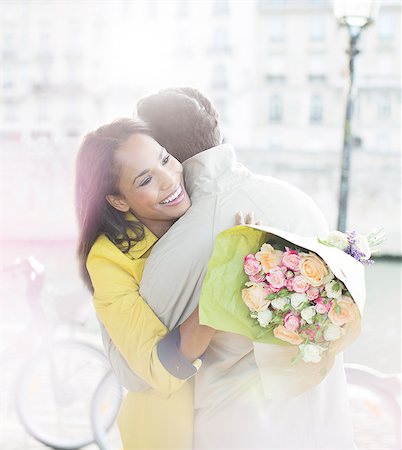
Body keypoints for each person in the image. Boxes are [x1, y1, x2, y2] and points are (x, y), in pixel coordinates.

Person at [105, 87, 355, 449]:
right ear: (216, 128)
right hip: (322, 427)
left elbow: (138, 372)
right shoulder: (300, 202)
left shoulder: (177, 252)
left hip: (236, 433)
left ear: (163, 152)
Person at [75, 118, 222, 449]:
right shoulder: (108, 260)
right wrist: (225, 281)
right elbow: (161, 364)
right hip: (167, 429)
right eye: (145, 180)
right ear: (118, 200)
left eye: (165, 159)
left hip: (231, 413)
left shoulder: (207, 205)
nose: (170, 179)